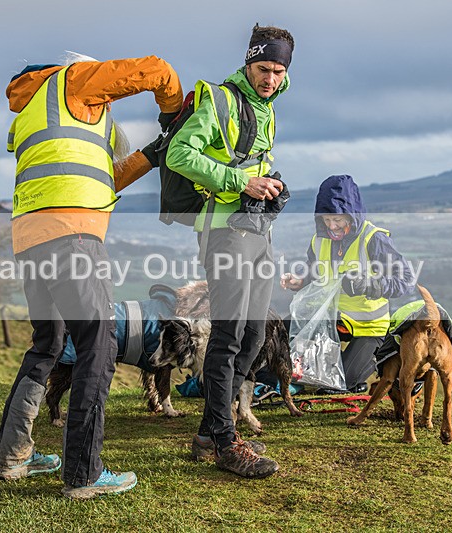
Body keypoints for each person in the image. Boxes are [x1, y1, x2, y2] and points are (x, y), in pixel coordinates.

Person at [0, 53, 182, 500]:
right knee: (99, 346)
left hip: (32, 238)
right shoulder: (73, 81)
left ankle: (14, 456)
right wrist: (175, 112)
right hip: (73, 238)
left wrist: (150, 156)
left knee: (49, 345)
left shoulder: (32, 113)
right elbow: (157, 69)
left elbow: (98, 181)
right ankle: (84, 473)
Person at [165, 23, 294, 479]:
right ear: (248, 62)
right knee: (228, 336)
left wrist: (270, 184)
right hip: (225, 232)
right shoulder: (221, 101)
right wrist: (242, 182)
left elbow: (247, 161)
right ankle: (224, 441)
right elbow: (179, 154)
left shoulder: (267, 106)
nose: (270, 79)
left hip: (257, 230)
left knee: (255, 336)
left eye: (279, 71)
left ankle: (209, 433)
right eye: (264, 68)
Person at [281, 174, 417, 392]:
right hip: (331, 317)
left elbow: (406, 280)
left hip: (368, 325)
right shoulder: (318, 239)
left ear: (352, 216)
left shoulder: (374, 239)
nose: (332, 226)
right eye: (326, 220)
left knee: (339, 383)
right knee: (280, 331)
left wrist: (369, 285)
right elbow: (315, 270)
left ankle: (377, 358)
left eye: (338, 220)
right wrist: (301, 280)